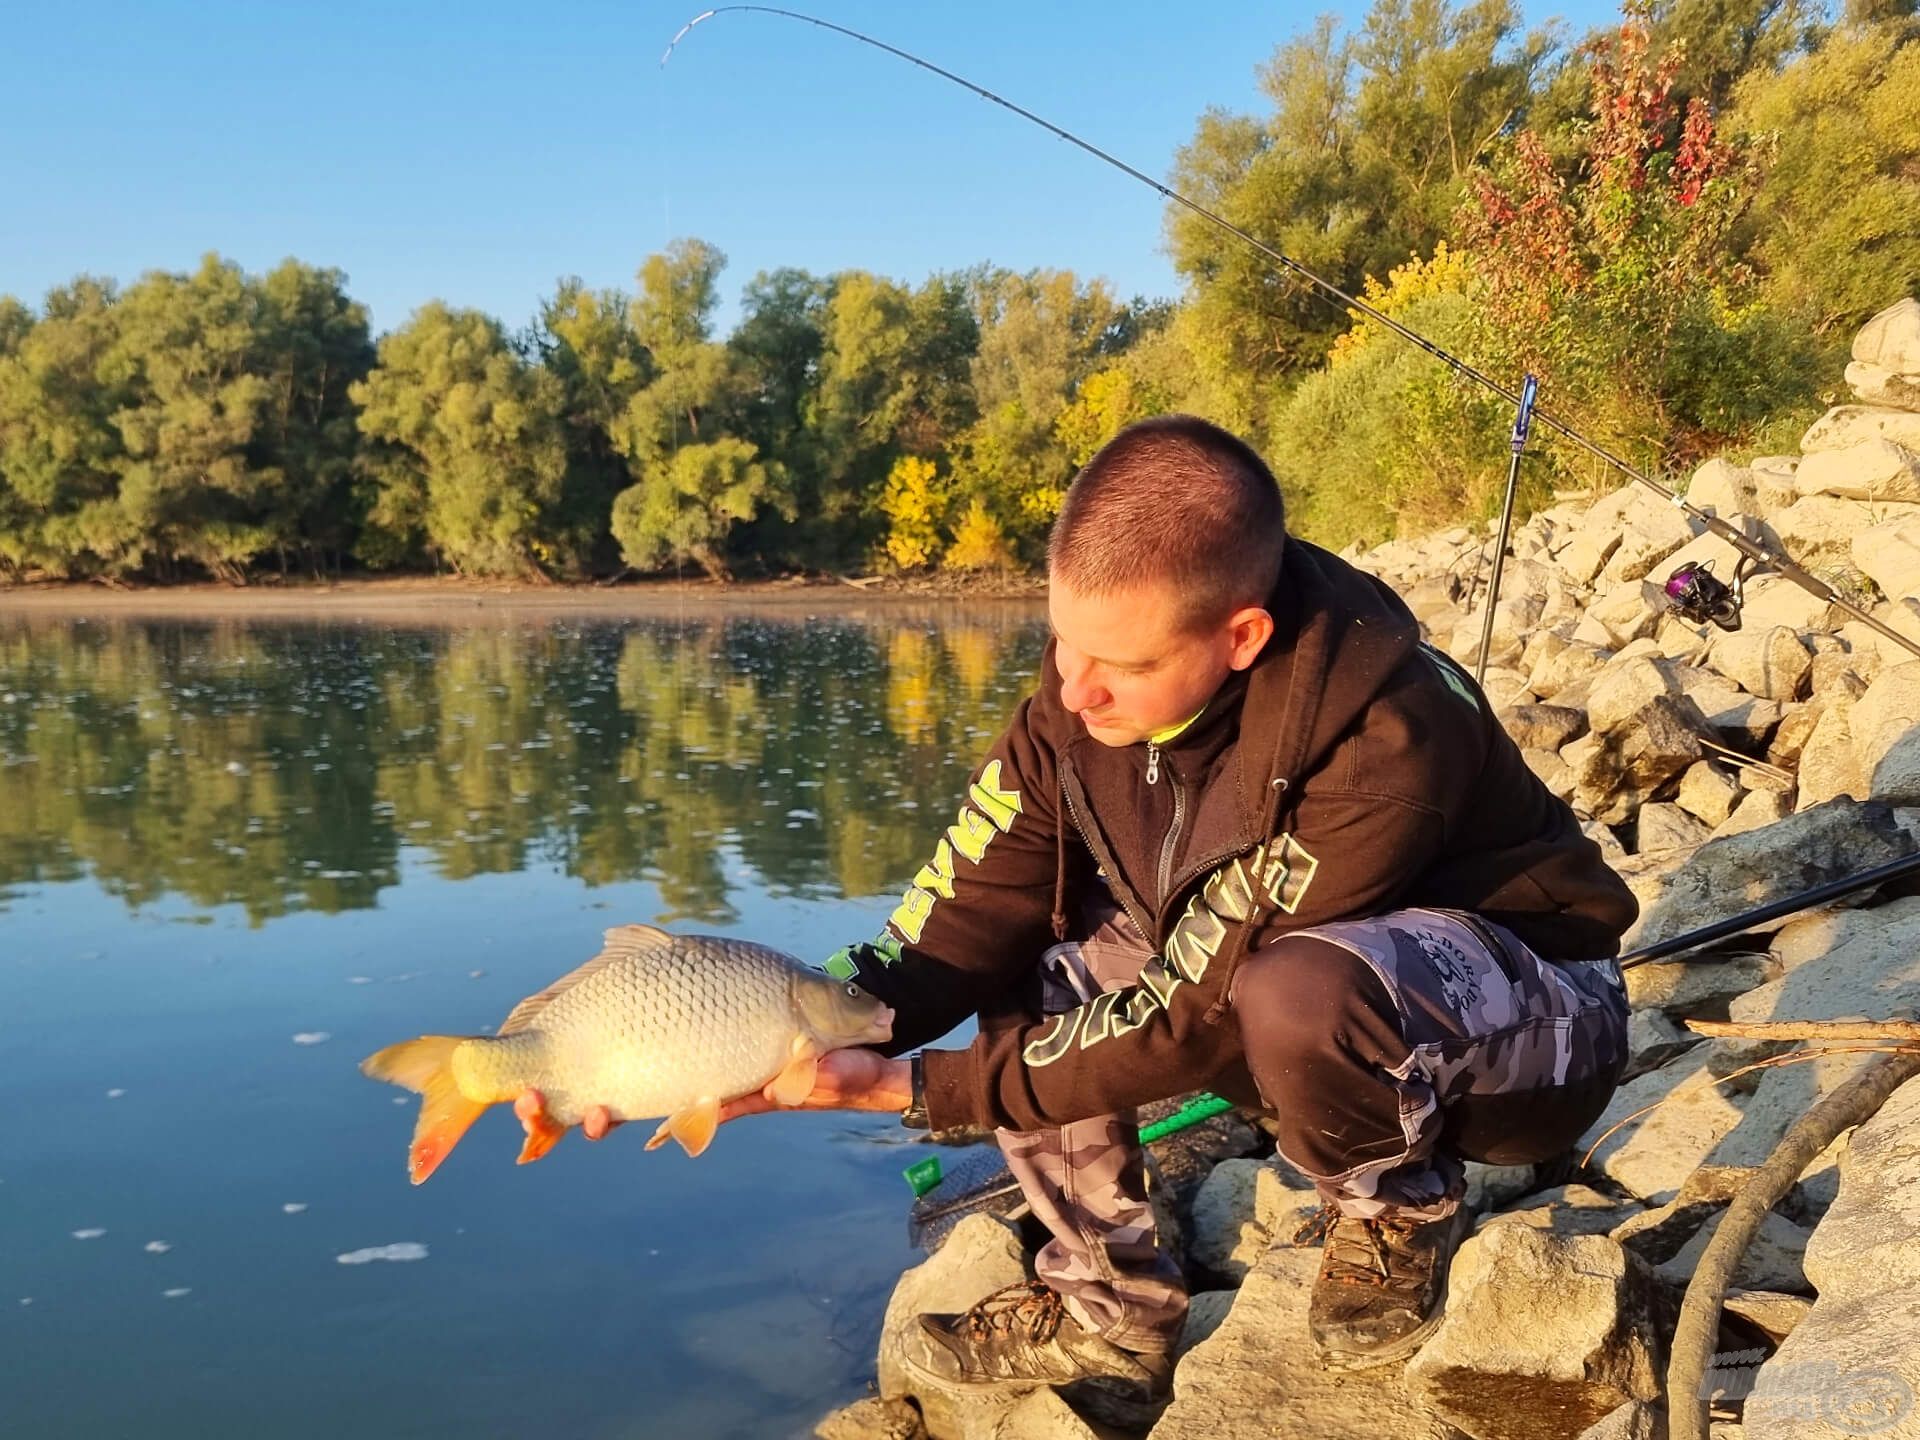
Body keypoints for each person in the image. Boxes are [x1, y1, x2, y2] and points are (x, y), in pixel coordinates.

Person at [525, 414, 1636, 1417]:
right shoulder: (1073, 707)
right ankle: (1114, 1313)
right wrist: (781, 1022)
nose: (1075, 687)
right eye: (1064, 643)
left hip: (1531, 1032)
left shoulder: (1378, 737)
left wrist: (923, 1091)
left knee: (1300, 988)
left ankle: (1394, 1215)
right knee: (1038, 950)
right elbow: (965, 906)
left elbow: (1196, 1012)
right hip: (1273, 1002)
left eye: (1120, 663)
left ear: (1239, 638)